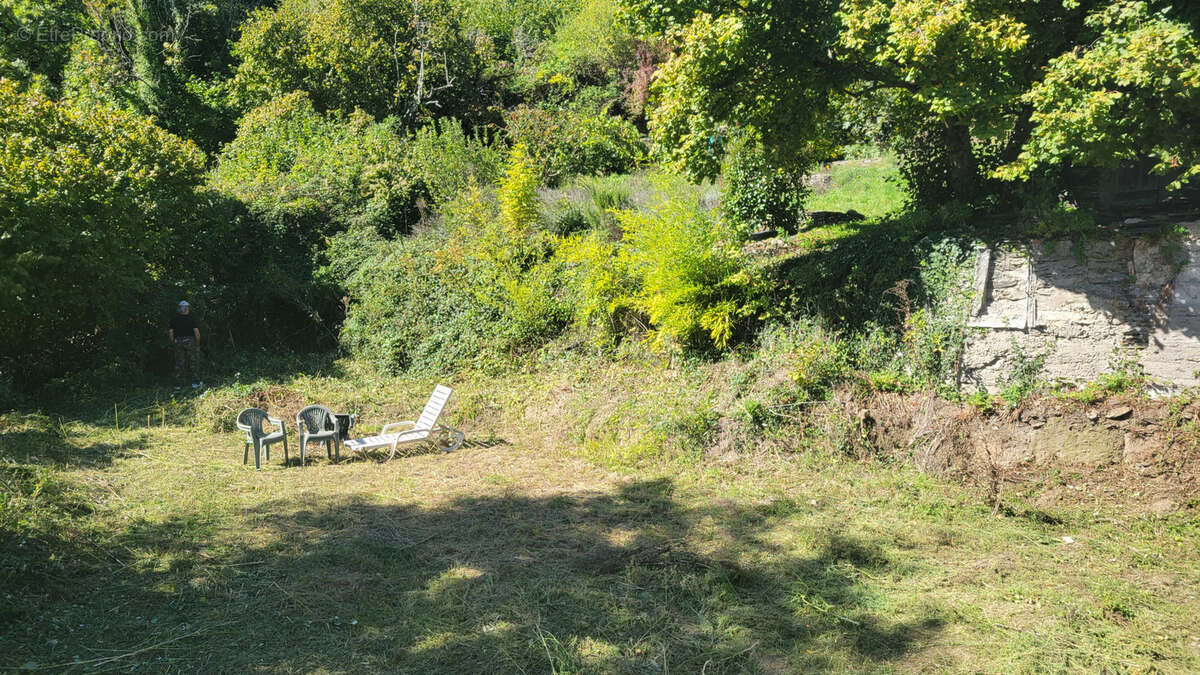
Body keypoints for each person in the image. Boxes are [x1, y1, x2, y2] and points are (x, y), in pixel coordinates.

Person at [169, 301, 202, 390]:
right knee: (194, 361)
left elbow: (171, 333)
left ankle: (178, 385)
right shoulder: (191, 319)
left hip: (177, 341)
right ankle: (195, 383)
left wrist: (173, 343)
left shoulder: (174, 319)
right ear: (187, 308)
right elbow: (196, 332)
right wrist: (197, 343)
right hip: (190, 341)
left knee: (179, 363)